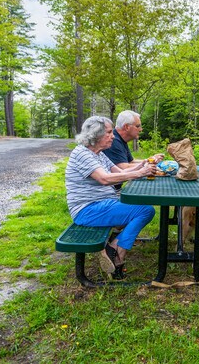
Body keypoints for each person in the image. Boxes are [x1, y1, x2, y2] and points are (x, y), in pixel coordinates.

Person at [65, 116, 157, 280]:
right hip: (88, 210)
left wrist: (143, 165)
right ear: (96, 135)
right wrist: (140, 173)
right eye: (108, 132)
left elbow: (120, 173)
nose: (113, 136)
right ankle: (117, 251)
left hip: (103, 204)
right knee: (145, 210)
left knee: (140, 206)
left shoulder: (99, 154)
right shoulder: (82, 153)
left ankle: (114, 247)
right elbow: (105, 178)